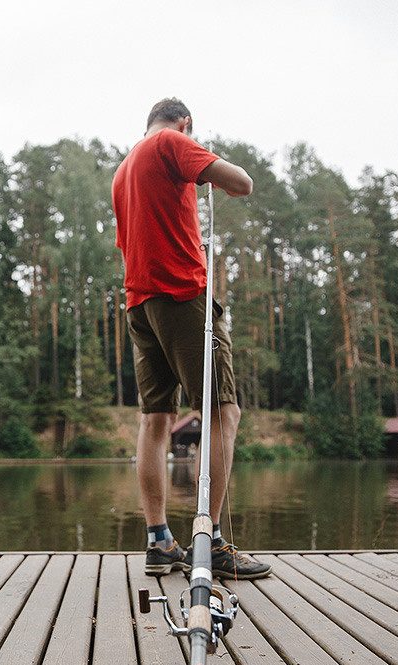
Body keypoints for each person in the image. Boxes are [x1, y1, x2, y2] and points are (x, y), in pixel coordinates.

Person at [112, 98, 270, 580]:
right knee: (223, 411)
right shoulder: (171, 142)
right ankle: (212, 540)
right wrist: (205, 159)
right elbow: (242, 183)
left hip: (140, 302)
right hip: (181, 296)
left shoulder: (123, 170)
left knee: (155, 418)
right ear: (185, 123)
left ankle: (159, 542)